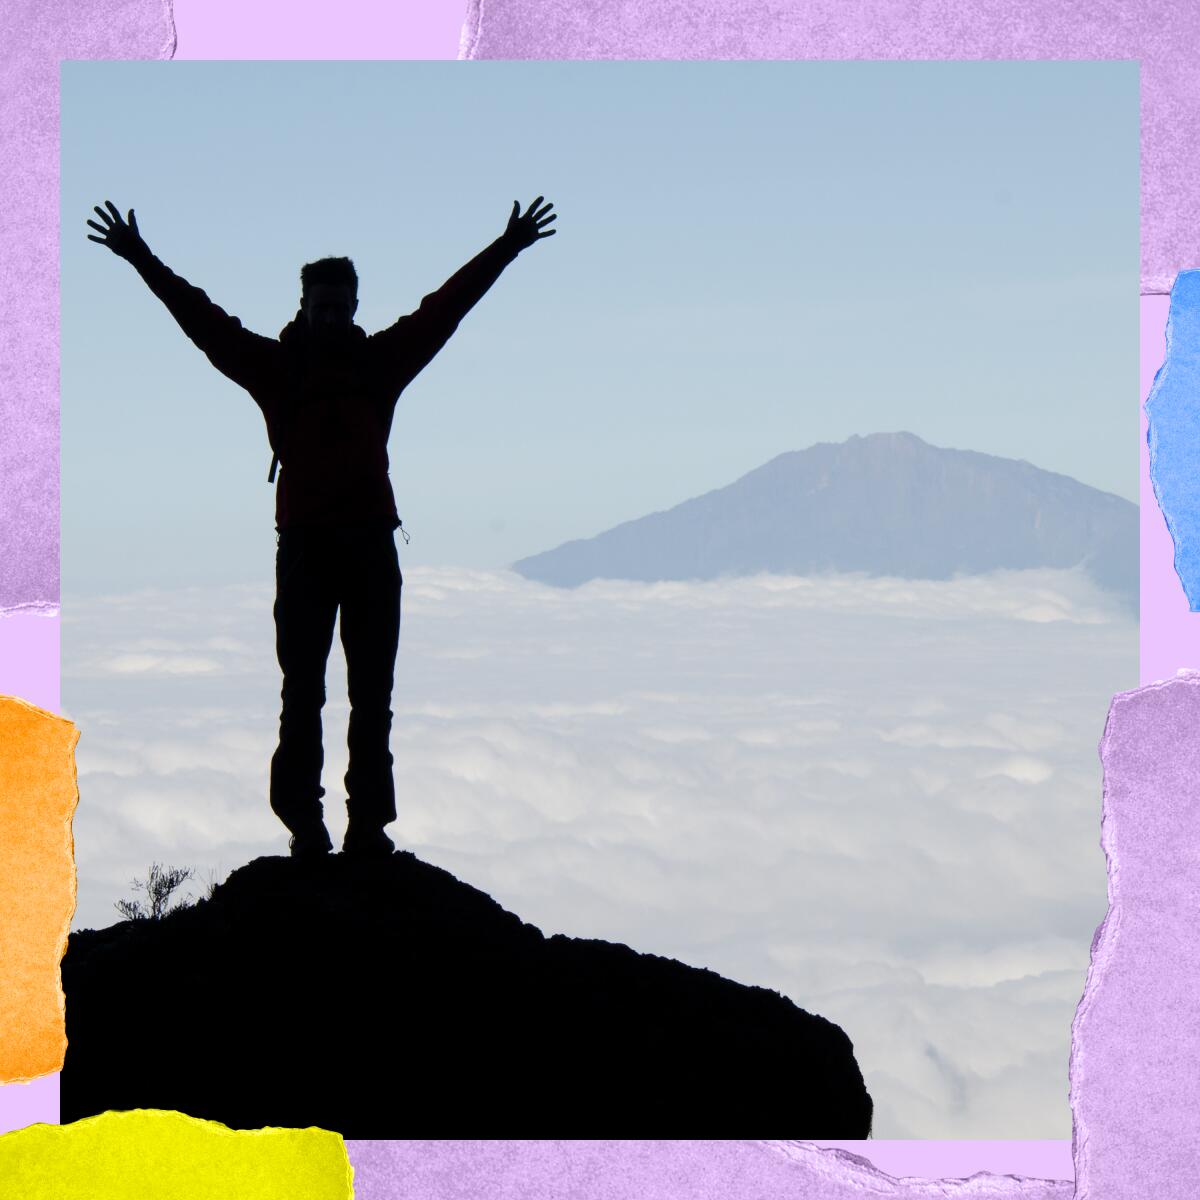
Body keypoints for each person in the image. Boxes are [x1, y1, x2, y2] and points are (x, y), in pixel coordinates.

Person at [87, 196, 557, 859]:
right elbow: (202, 320)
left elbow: (444, 309)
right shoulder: (276, 370)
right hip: (307, 551)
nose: (332, 317)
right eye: (322, 307)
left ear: (352, 309)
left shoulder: (379, 364)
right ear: (304, 308)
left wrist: (505, 247)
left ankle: (367, 828)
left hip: (368, 547)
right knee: (302, 694)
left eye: (340, 308)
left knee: (372, 697)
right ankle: (306, 827)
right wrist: (139, 257)